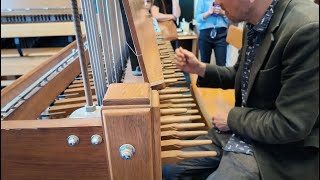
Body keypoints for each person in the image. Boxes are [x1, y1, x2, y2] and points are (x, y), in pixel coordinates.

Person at [164, 0, 319, 179]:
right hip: (245, 131)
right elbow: (241, 74)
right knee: (169, 168)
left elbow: (291, 124)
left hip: (281, 152)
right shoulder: (253, 21)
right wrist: (200, 68)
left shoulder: (308, 30)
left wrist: (232, 118)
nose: (216, 2)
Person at [195, 0, 229, 66]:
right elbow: (197, 18)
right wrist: (208, 13)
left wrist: (222, 13)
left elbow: (232, 19)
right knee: (204, 64)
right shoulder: (202, 1)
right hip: (205, 34)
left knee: (221, 64)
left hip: (221, 35)